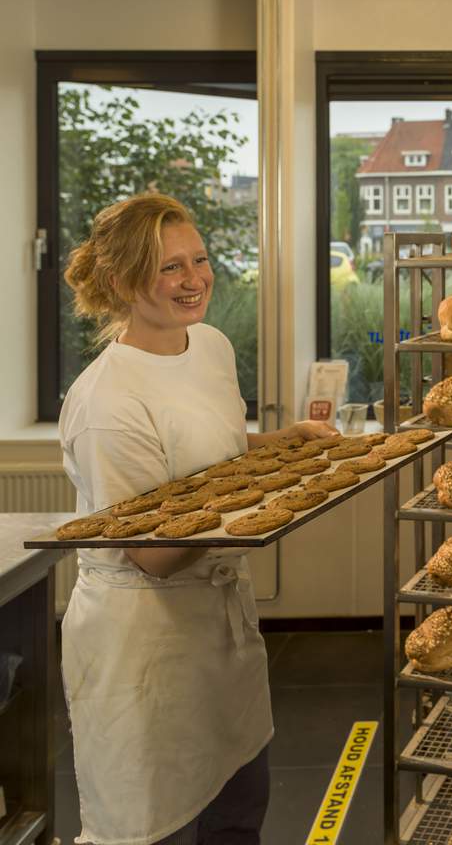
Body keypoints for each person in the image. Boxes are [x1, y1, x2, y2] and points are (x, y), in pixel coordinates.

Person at [58, 193, 334, 845]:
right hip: (144, 647)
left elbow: (215, 459)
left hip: (220, 630)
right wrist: (259, 502)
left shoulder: (208, 346)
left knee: (238, 810)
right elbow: (151, 553)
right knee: (157, 828)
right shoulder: (106, 400)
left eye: (200, 259)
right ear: (123, 283)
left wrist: (283, 444)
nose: (195, 280)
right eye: (169, 268)